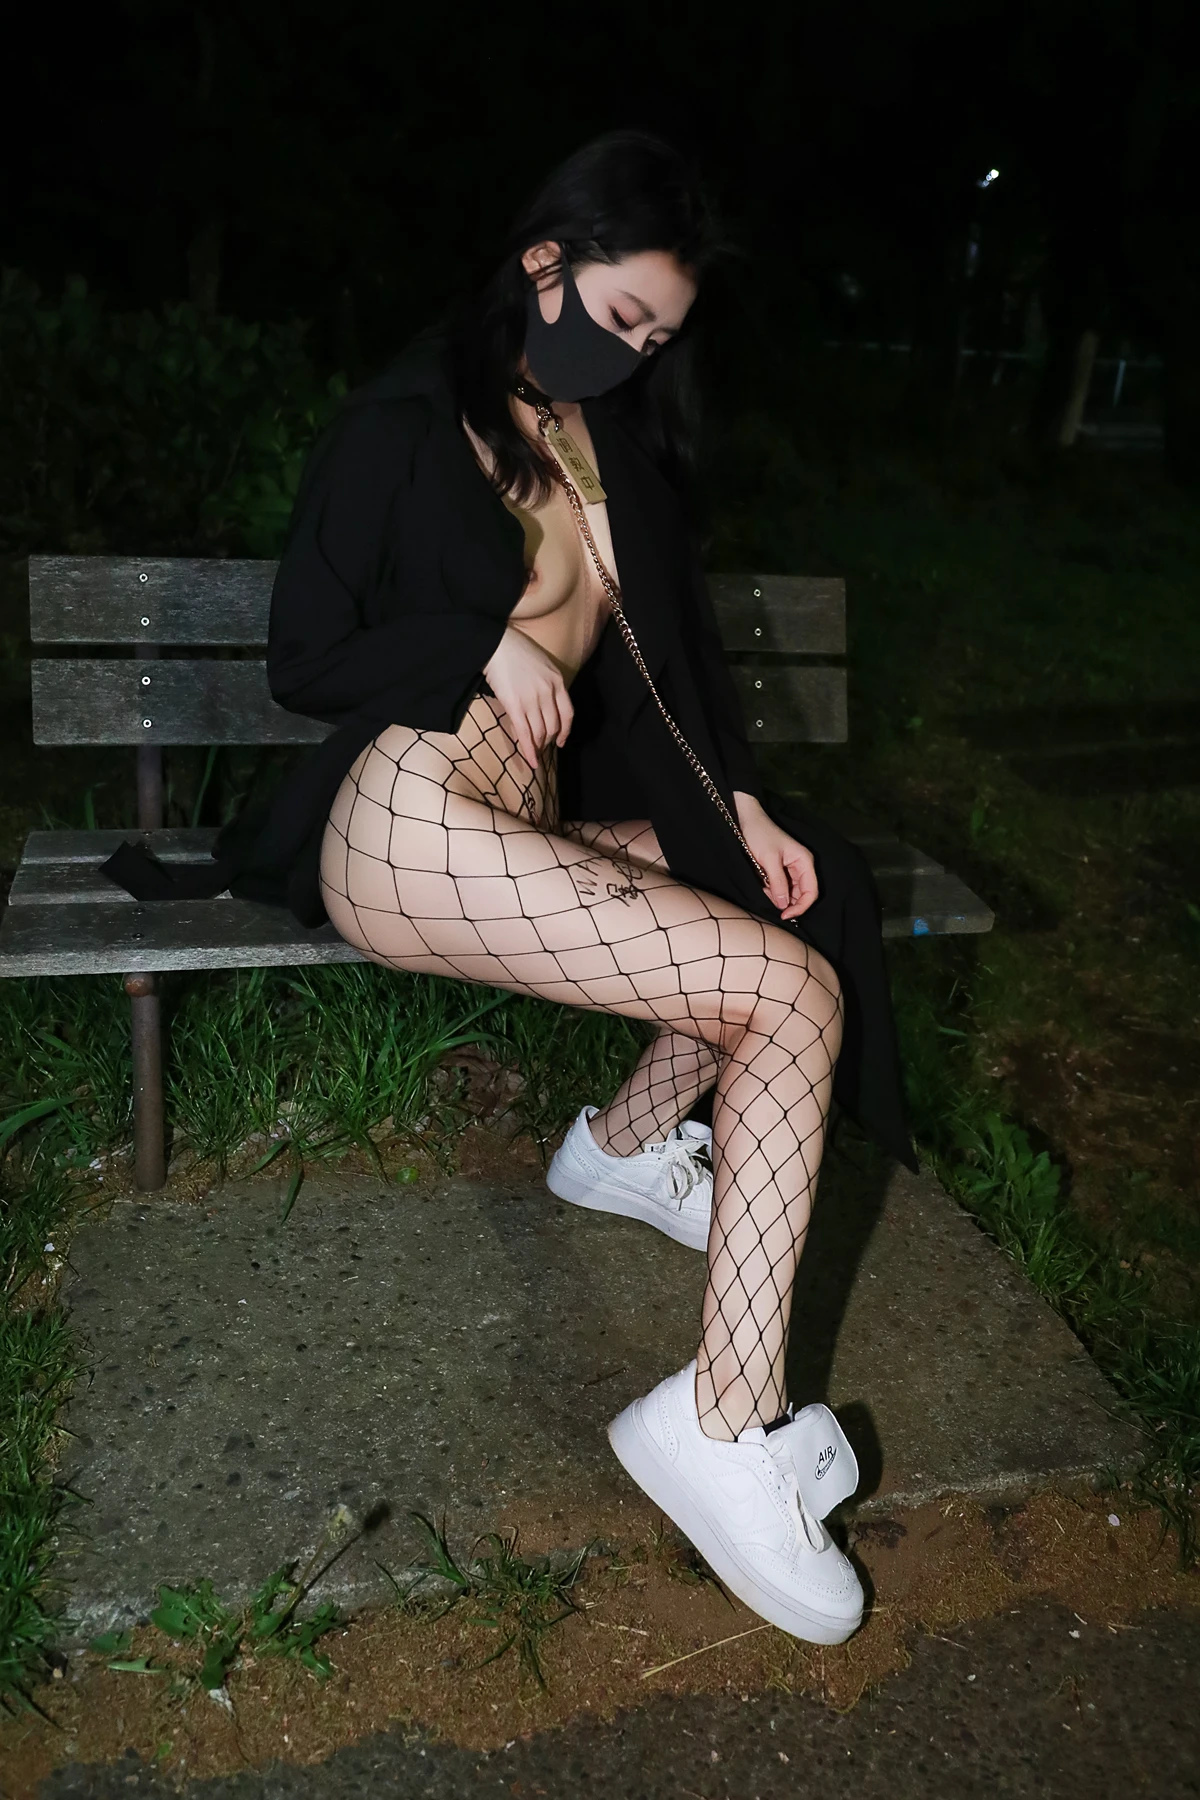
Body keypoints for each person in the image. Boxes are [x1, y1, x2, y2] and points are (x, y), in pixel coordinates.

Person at [105, 129, 915, 1647]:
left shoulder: (611, 449)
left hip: (516, 836)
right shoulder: (410, 420)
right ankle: (723, 1426)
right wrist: (476, 643)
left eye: (660, 338)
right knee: (791, 1000)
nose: (636, 356)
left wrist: (735, 801)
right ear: (546, 263)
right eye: (621, 319)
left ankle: (621, 1150)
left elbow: (667, 672)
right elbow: (304, 655)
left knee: (791, 904)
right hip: (409, 818)